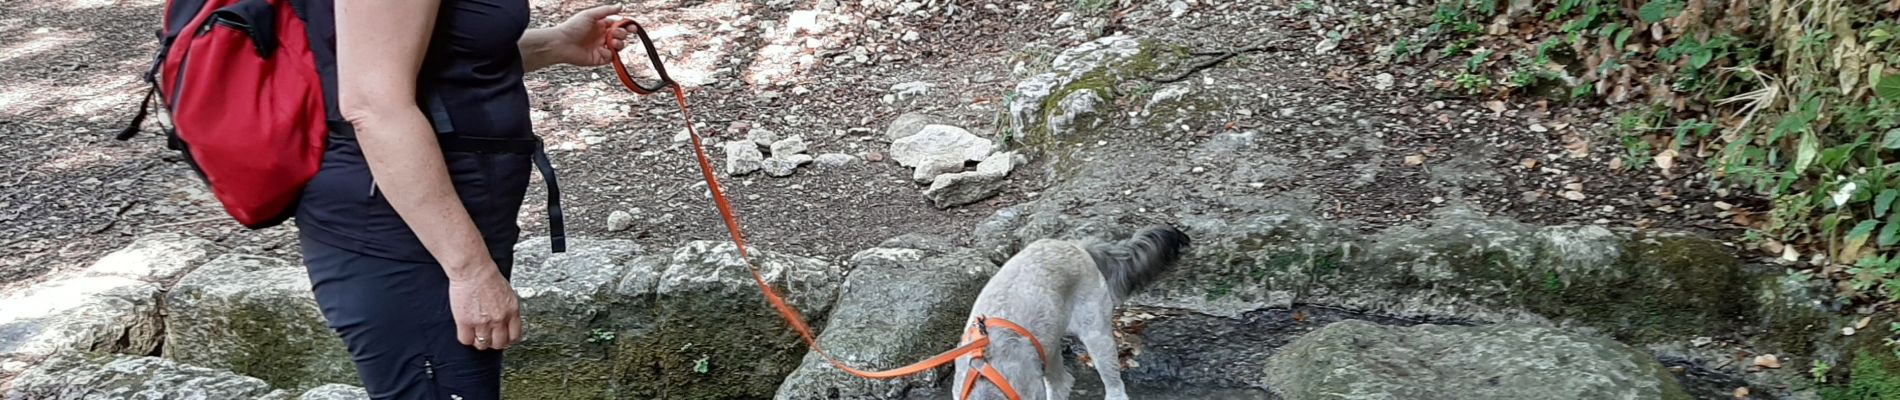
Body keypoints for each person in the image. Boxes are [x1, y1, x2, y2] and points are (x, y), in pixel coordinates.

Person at [292, 0, 632, 398]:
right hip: (402, 234)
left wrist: (554, 44)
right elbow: (373, 105)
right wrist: (470, 271)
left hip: (449, 224)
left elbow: (433, 59)